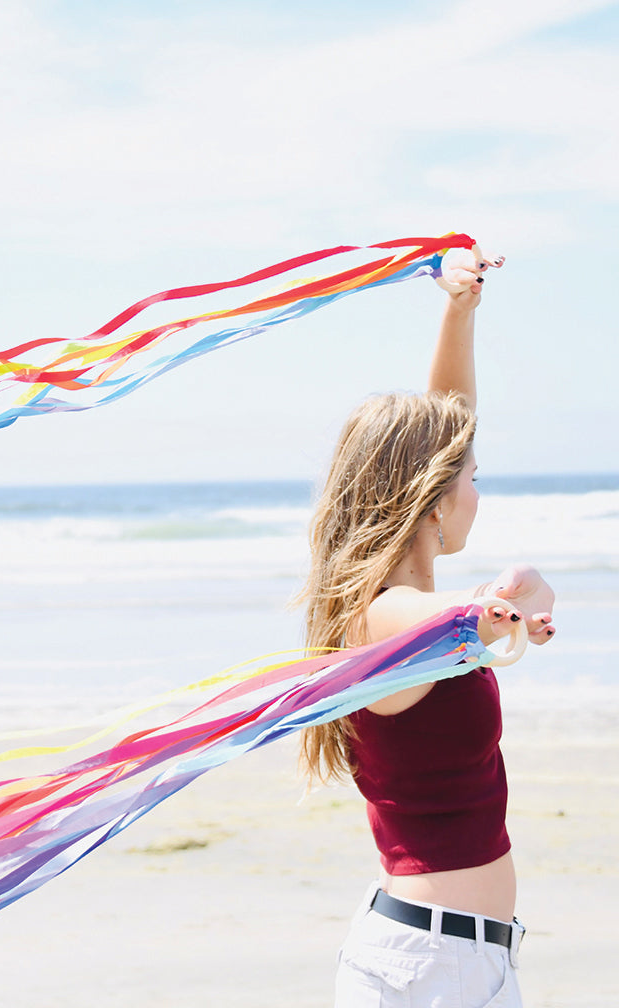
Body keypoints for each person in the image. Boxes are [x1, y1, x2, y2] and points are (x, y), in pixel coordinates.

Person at [298, 252, 556, 1008]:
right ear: (435, 501)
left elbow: (448, 423)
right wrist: (486, 610)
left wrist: (459, 310)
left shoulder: (404, 600)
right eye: (472, 479)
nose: (478, 491)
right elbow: (425, 623)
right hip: (429, 967)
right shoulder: (382, 614)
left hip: (460, 961)